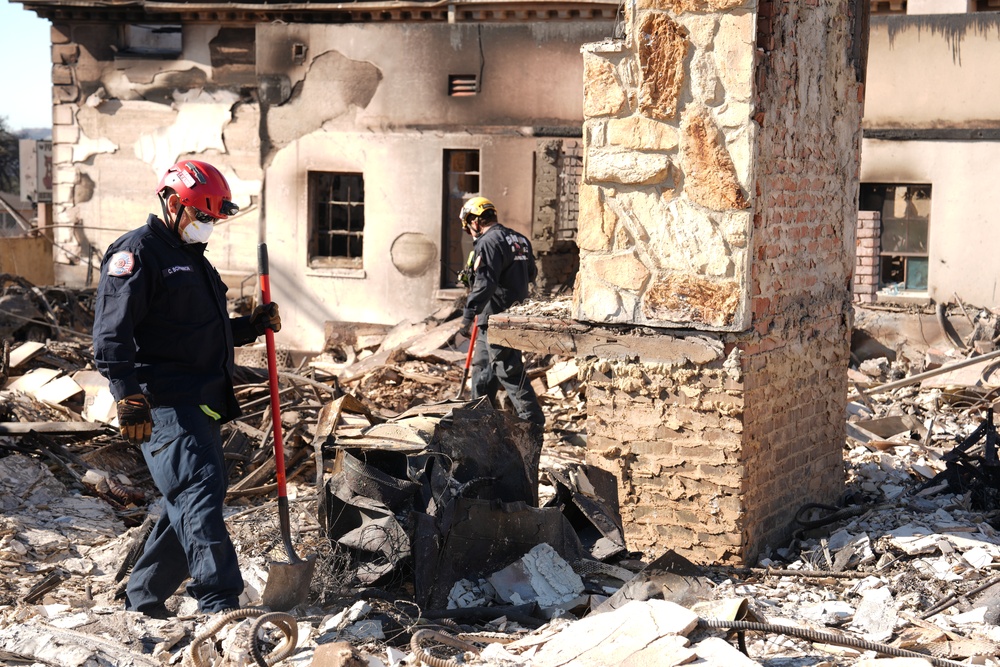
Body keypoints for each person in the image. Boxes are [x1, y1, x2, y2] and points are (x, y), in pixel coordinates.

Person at [92, 159, 281, 618]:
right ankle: (220, 602)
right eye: (204, 216)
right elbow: (110, 333)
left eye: (214, 219)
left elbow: (197, 331)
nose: (209, 226)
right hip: (164, 403)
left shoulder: (191, 259)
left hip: (202, 400)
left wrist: (249, 328)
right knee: (197, 490)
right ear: (175, 203)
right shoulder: (137, 253)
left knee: (196, 497)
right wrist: (126, 393)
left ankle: (142, 596)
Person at [456, 196, 545, 427]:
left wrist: (466, 318)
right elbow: (531, 274)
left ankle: (533, 425)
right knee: (483, 373)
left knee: (510, 373)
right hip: (505, 318)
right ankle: (479, 425)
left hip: (498, 321)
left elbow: (485, 284)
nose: (470, 233)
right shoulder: (520, 240)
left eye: (468, 227)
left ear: (475, 221)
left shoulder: (488, 242)